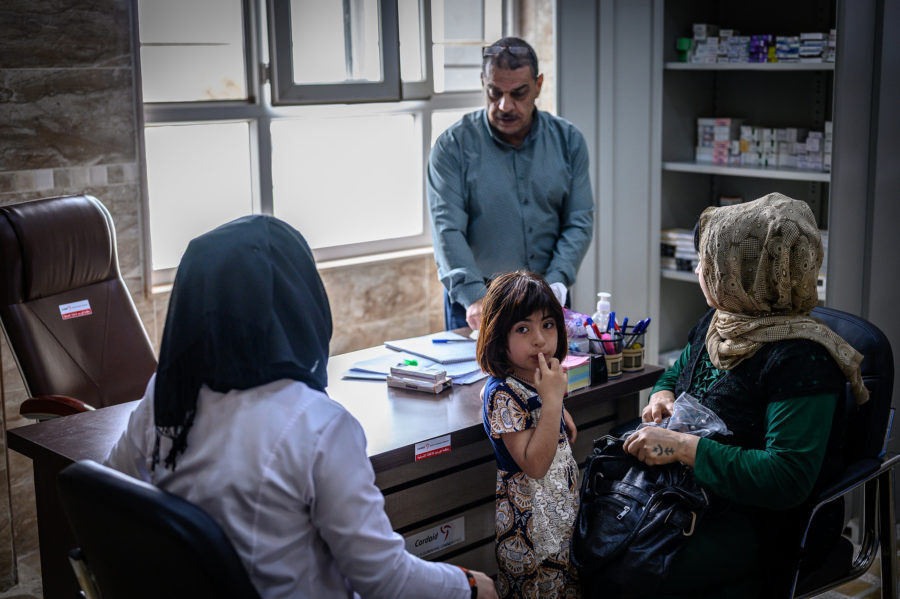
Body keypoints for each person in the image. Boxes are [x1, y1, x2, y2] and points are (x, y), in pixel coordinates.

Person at [104, 215, 497, 599]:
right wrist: (471, 585)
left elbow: (111, 490)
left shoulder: (166, 395)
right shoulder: (318, 425)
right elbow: (384, 580)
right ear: (299, 303)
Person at [620, 193, 868, 598]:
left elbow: (784, 479)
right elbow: (677, 371)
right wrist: (663, 394)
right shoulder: (721, 322)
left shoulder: (801, 360)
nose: (700, 268)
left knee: (637, 566)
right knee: (603, 535)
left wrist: (683, 447)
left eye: (709, 261)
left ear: (745, 271)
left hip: (762, 521)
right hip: (695, 494)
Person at [427, 36, 594, 331]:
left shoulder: (569, 142)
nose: (505, 105)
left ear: (539, 85)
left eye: (518, 93)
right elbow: (446, 229)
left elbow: (578, 221)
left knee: (553, 377)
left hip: (548, 298)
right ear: (483, 83)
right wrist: (475, 298)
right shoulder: (452, 147)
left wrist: (557, 280)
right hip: (477, 303)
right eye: (494, 93)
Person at [476, 270, 581, 598]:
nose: (540, 339)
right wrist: (553, 402)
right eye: (523, 328)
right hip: (528, 531)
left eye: (548, 324)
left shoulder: (537, 375)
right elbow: (534, 465)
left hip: (558, 517)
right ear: (497, 337)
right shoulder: (503, 393)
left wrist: (557, 408)